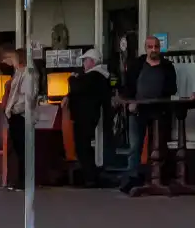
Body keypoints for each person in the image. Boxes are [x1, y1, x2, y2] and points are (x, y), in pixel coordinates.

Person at [119, 35, 178, 191]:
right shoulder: (136, 65)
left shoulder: (167, 66)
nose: (153, 50)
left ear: (160, 48)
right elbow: (128, 86)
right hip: (138, 110)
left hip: (159, 111)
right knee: (135, 146)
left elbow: (172, 88)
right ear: (145, 48)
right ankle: (131, 180)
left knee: (159, 145)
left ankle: (159, 179)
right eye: (150, 47)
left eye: (156, 47)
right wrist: (130, 101)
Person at [65, 49, 112, 187]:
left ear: (92, 61)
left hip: (85, 116)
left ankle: (90, 177)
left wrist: (72, 78)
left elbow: (78, 87)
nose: (84, 64)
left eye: (85, 61)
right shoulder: (98, 76)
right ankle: (91, 175)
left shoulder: (94, 76)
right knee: (84, 146)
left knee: (82, 146)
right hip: (88, 115)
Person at [3, 48, 36, 191]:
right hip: (15, 114)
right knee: (18, 149)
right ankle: (19, 179)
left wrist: (15, 109)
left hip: (22, 115)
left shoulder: (28, 74)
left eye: (13, 58)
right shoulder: (18, 73)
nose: (11, 62)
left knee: (23, 149)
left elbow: (28, 95)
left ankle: (25, 181)